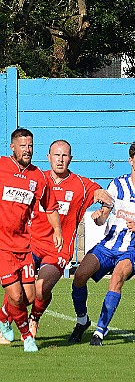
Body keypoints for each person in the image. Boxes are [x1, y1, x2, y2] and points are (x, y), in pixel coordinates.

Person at [68, 141, 135, 346]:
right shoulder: (116, 184)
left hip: (132, 249)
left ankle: (100, 331)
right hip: (108, 244)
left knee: (117, 278)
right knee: (79, 277)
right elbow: (104, 214)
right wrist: (99, 218)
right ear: (131, 161)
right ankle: (82, 320)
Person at [24, 140, 113, 338]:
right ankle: (7, 321)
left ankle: (34, 319)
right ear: (48, 157)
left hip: (58, 249)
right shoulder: (37, 179)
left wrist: (103, 211)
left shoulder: (81, 185)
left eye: (64, 156)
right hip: (31, 244)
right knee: (22, 293)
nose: (60, 160)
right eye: (56, 155)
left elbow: (106, 197)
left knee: (41, 289)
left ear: (70, 159)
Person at [0, 128, 62, 352]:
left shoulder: (38, 177)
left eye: (30, 146)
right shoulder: (2, 167)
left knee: (28, 296)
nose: (27, 150)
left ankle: (3, 318)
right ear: (12, 147)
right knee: (15, 295)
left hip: (24, 246)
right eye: (23, 146)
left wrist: (58, 230)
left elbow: (51, 206)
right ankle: (27, 337)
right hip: (2, 247)